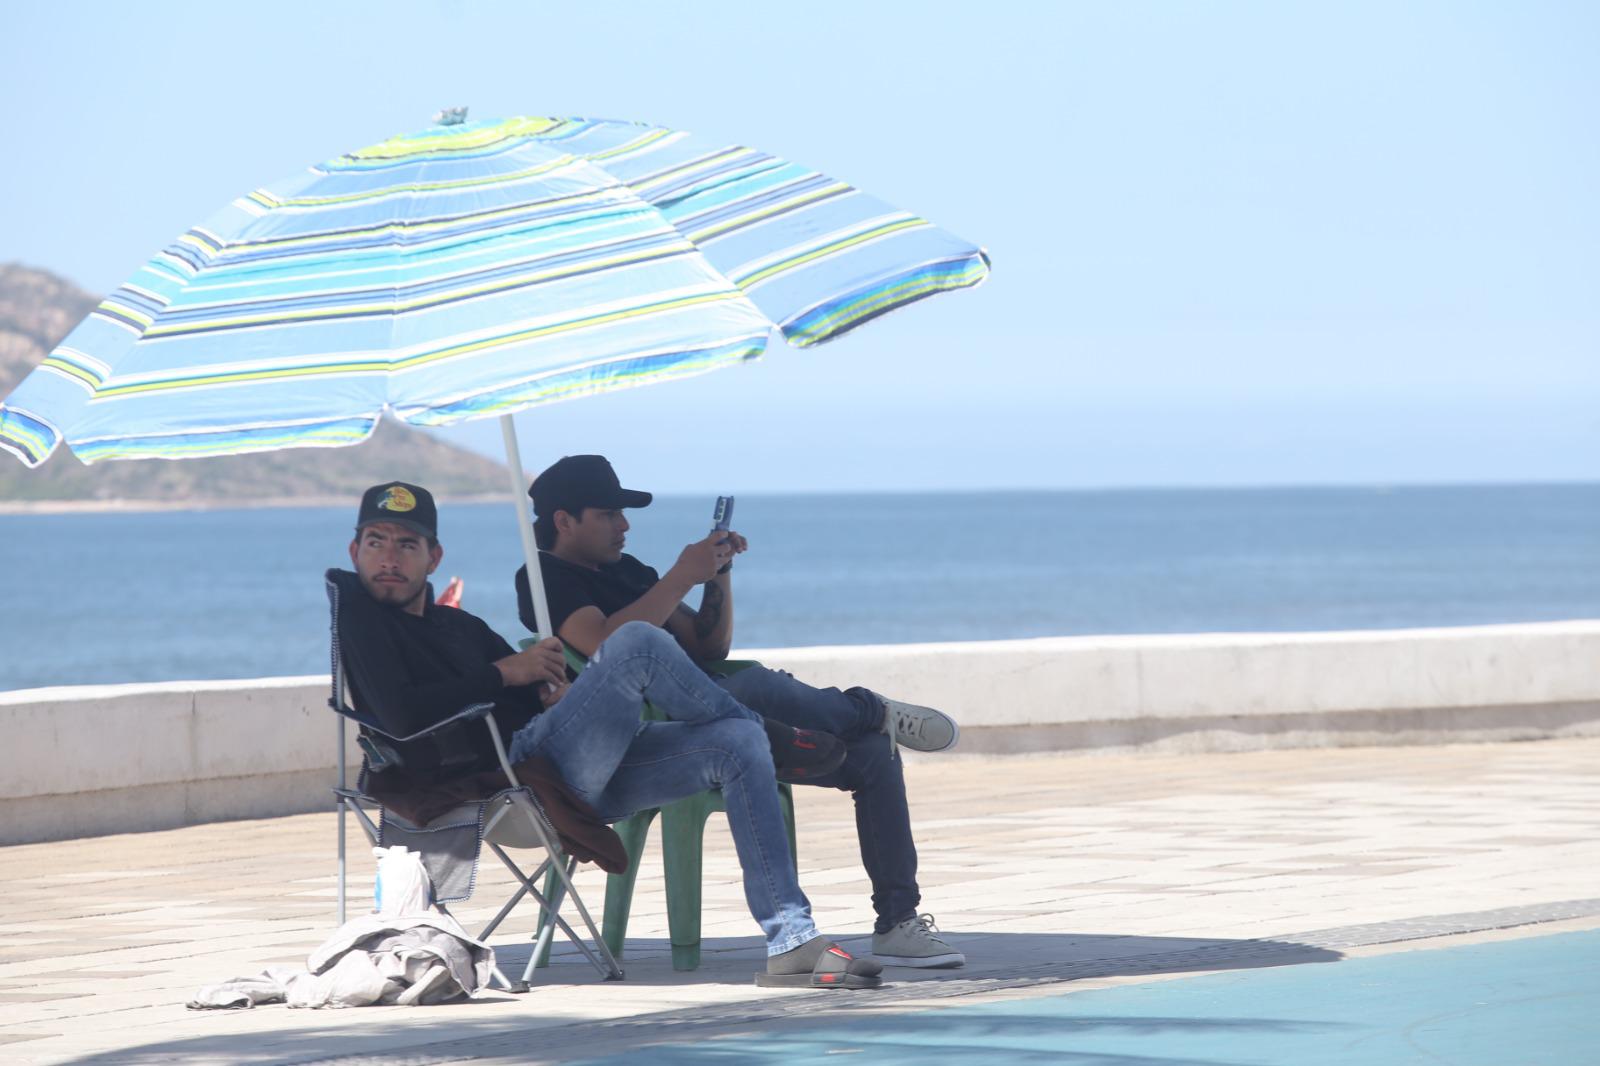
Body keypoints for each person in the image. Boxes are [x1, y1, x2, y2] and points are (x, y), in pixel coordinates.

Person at [333, 480, 881, 989]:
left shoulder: (461, 626)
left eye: (407, 545)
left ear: (434, 558)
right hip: (502, 782)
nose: (389, 557)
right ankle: (772, 732)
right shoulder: (362, 619)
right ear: (355, 550)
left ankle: (790, 938)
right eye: (376, 541)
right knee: (638, 642)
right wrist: (506, 673)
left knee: (736, 745)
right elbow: (401, 715)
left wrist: (551, 688)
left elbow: (535, 686)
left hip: (555, 769)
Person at [514, 456, 967, 969]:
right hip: (650, 738)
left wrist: (717, 576)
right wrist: (681, 576)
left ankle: (897, 922)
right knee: (751, 685)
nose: (625, 525)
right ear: (564, 520)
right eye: (609, 514)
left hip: (715, 712)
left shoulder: (629, 571)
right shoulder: (542, 577)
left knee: (872, 756)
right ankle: (867, 708)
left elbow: (710, 647)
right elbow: (608, 646)